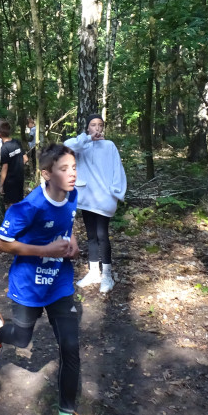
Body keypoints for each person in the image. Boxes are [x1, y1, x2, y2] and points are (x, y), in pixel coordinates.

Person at [0, 144, 93, 415]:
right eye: (64, 169)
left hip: (59, 283)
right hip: (28, 285)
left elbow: (69, 225)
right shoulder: (28, 207)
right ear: (46, 174)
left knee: (70, 349)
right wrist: (44, 250)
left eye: (73, 168)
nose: (72, 174)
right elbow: (0, 243)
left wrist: (73, 244)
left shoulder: (72, 195)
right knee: (21, 339)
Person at [64, 114, 127, 294]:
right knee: (91, 236)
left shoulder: (109, 146)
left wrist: (115, 193)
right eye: (93, 125)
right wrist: (87, 139)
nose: (97, 128)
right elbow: (66, 146)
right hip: (86, 197)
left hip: (104, 198)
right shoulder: (81, 145)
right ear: (88, 128)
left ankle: (107, 274)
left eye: (100, 125)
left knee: (102, 235)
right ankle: (93, 272)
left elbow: (118, 170)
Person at [0, 119, 27, 208]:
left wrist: (1, 185)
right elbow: (25, 159)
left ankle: (13, 221)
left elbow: (4, 168)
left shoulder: (4, 148)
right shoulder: (16, 142)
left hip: (10, 181)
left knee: (11, 204)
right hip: (20, 178)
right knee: (18, 201)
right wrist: (17, 165)